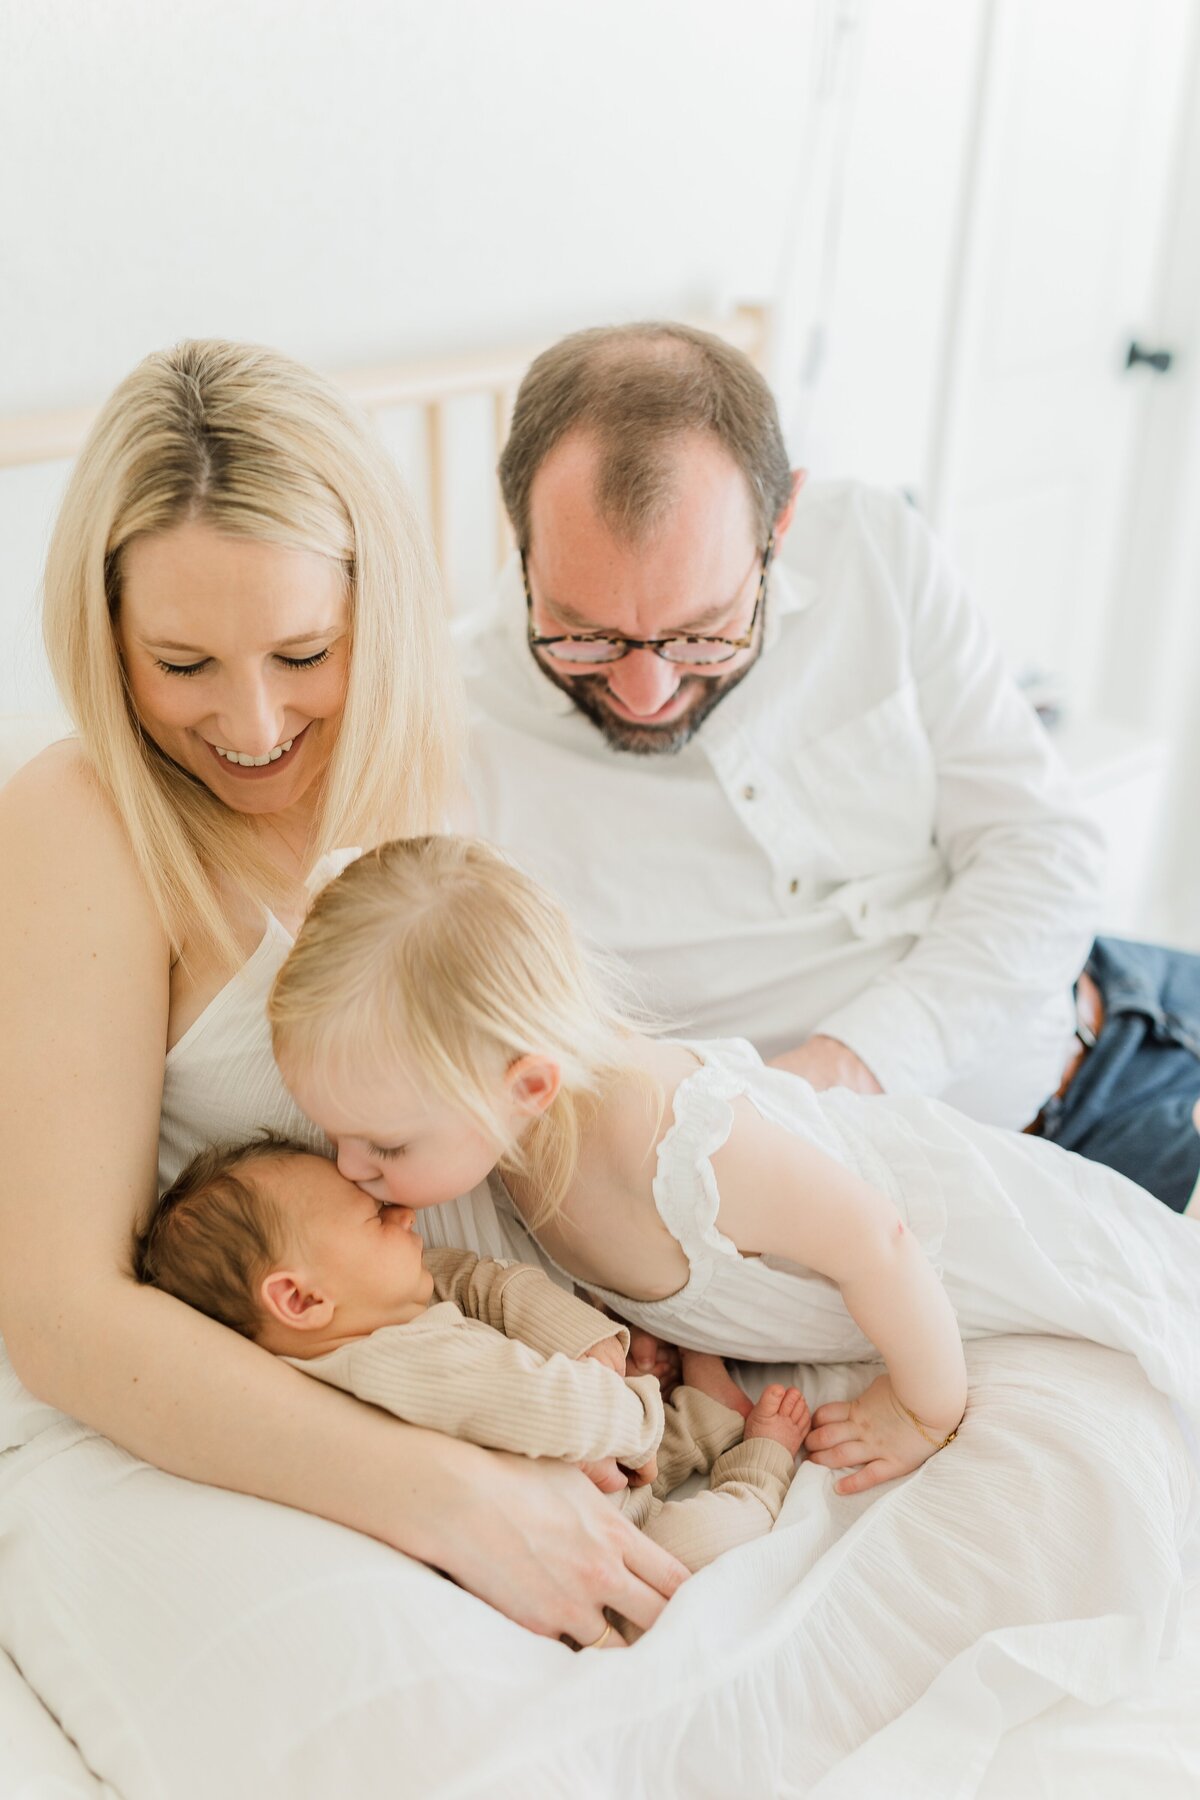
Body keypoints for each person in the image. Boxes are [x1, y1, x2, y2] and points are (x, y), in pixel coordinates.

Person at [0, 340, 691, 1794]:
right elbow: (61, 1319)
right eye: (179, 663)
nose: (249, 728)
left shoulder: (445, 754)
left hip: (433, 1348)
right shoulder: (79, 823)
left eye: (301, 655)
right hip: (157, 1397)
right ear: (101, 625)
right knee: (417, 1733)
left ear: (372, 603)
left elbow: (547, 1073)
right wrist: (446, 1495)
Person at [459, 321, 1200, 1213]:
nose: (647, 690)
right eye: (585, 634)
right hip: (968, 1200)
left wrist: (848, 1067)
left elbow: (1043, 847)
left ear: (782, 521)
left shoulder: (871, 545)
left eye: (704, 631)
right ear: (518, 535)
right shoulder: (447, 727)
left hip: (1111, 1026)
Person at [269, 835, 1200, 1496]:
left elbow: (879, 1240)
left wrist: (925, 1410)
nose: (351, 1170)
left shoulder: (680, 1147)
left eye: (385, 1147)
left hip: (970, 1253)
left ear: (527, 1084)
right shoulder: (516, 1144)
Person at [135, 1134, 809, 1644]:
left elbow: (483, 1280)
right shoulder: (395, 1364)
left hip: (590, 1478)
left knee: (643, 1460)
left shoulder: (374, 1314)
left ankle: (701, 1420)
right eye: (374, 1218)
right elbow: (551, 1407)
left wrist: (588, 1343)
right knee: (708, 1546)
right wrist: (634, 1401)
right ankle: (758, 1466)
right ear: (301, 1298)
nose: (404, 1215)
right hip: (589, 1547)